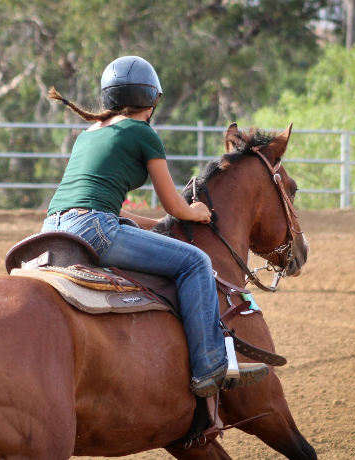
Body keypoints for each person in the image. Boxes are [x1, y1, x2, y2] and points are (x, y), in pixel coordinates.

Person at [42, 56, 268, 397]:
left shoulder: (88, 134)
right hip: (94, 227)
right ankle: (210, 365)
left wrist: (159, 224)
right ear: (152, 99)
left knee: (126, 227)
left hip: (53, 228)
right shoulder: (141, 132)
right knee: (195, 262)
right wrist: (196, 211)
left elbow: (110, 209)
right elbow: (174, 205)